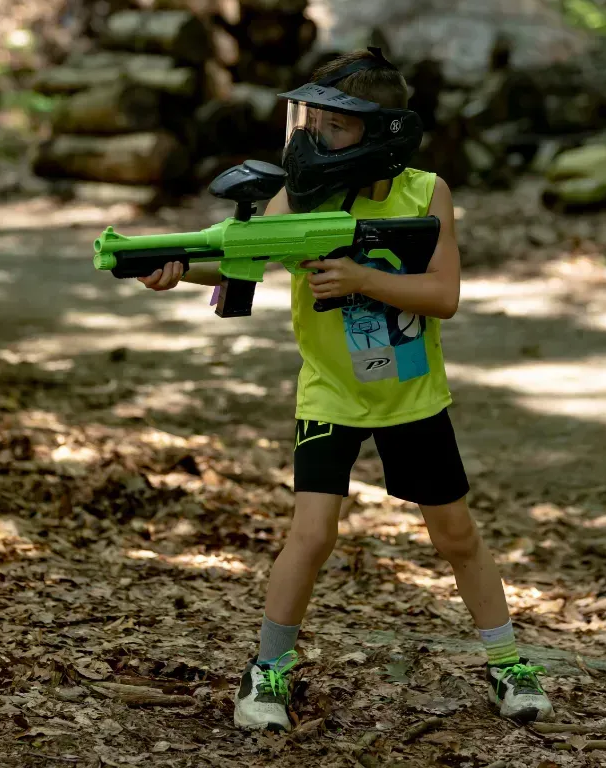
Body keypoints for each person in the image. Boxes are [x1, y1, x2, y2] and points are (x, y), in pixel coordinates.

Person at [137, 48, 555, 731]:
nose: (315, 140)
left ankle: (507, 662)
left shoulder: (426, 193)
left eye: (335, 127)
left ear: (385, 131)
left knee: (455, 535)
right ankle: (268, 671)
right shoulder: (299, 194)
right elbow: (241, 260)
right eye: (312, 122)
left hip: (411, 395)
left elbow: (442, 294)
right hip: (330, 392)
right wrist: (174, 267)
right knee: (312, 532)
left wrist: (363, 280)